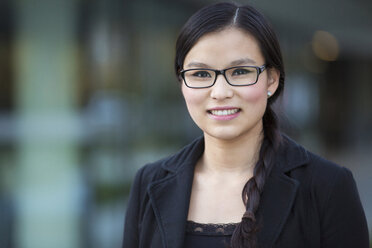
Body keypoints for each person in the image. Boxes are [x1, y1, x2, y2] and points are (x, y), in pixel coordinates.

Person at [122, 2, 369, 248]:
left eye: (240, 71)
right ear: (182, 82)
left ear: (271, 80)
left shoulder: (327, 186)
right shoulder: (149, 182)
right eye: (201, 74)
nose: (219, 92)